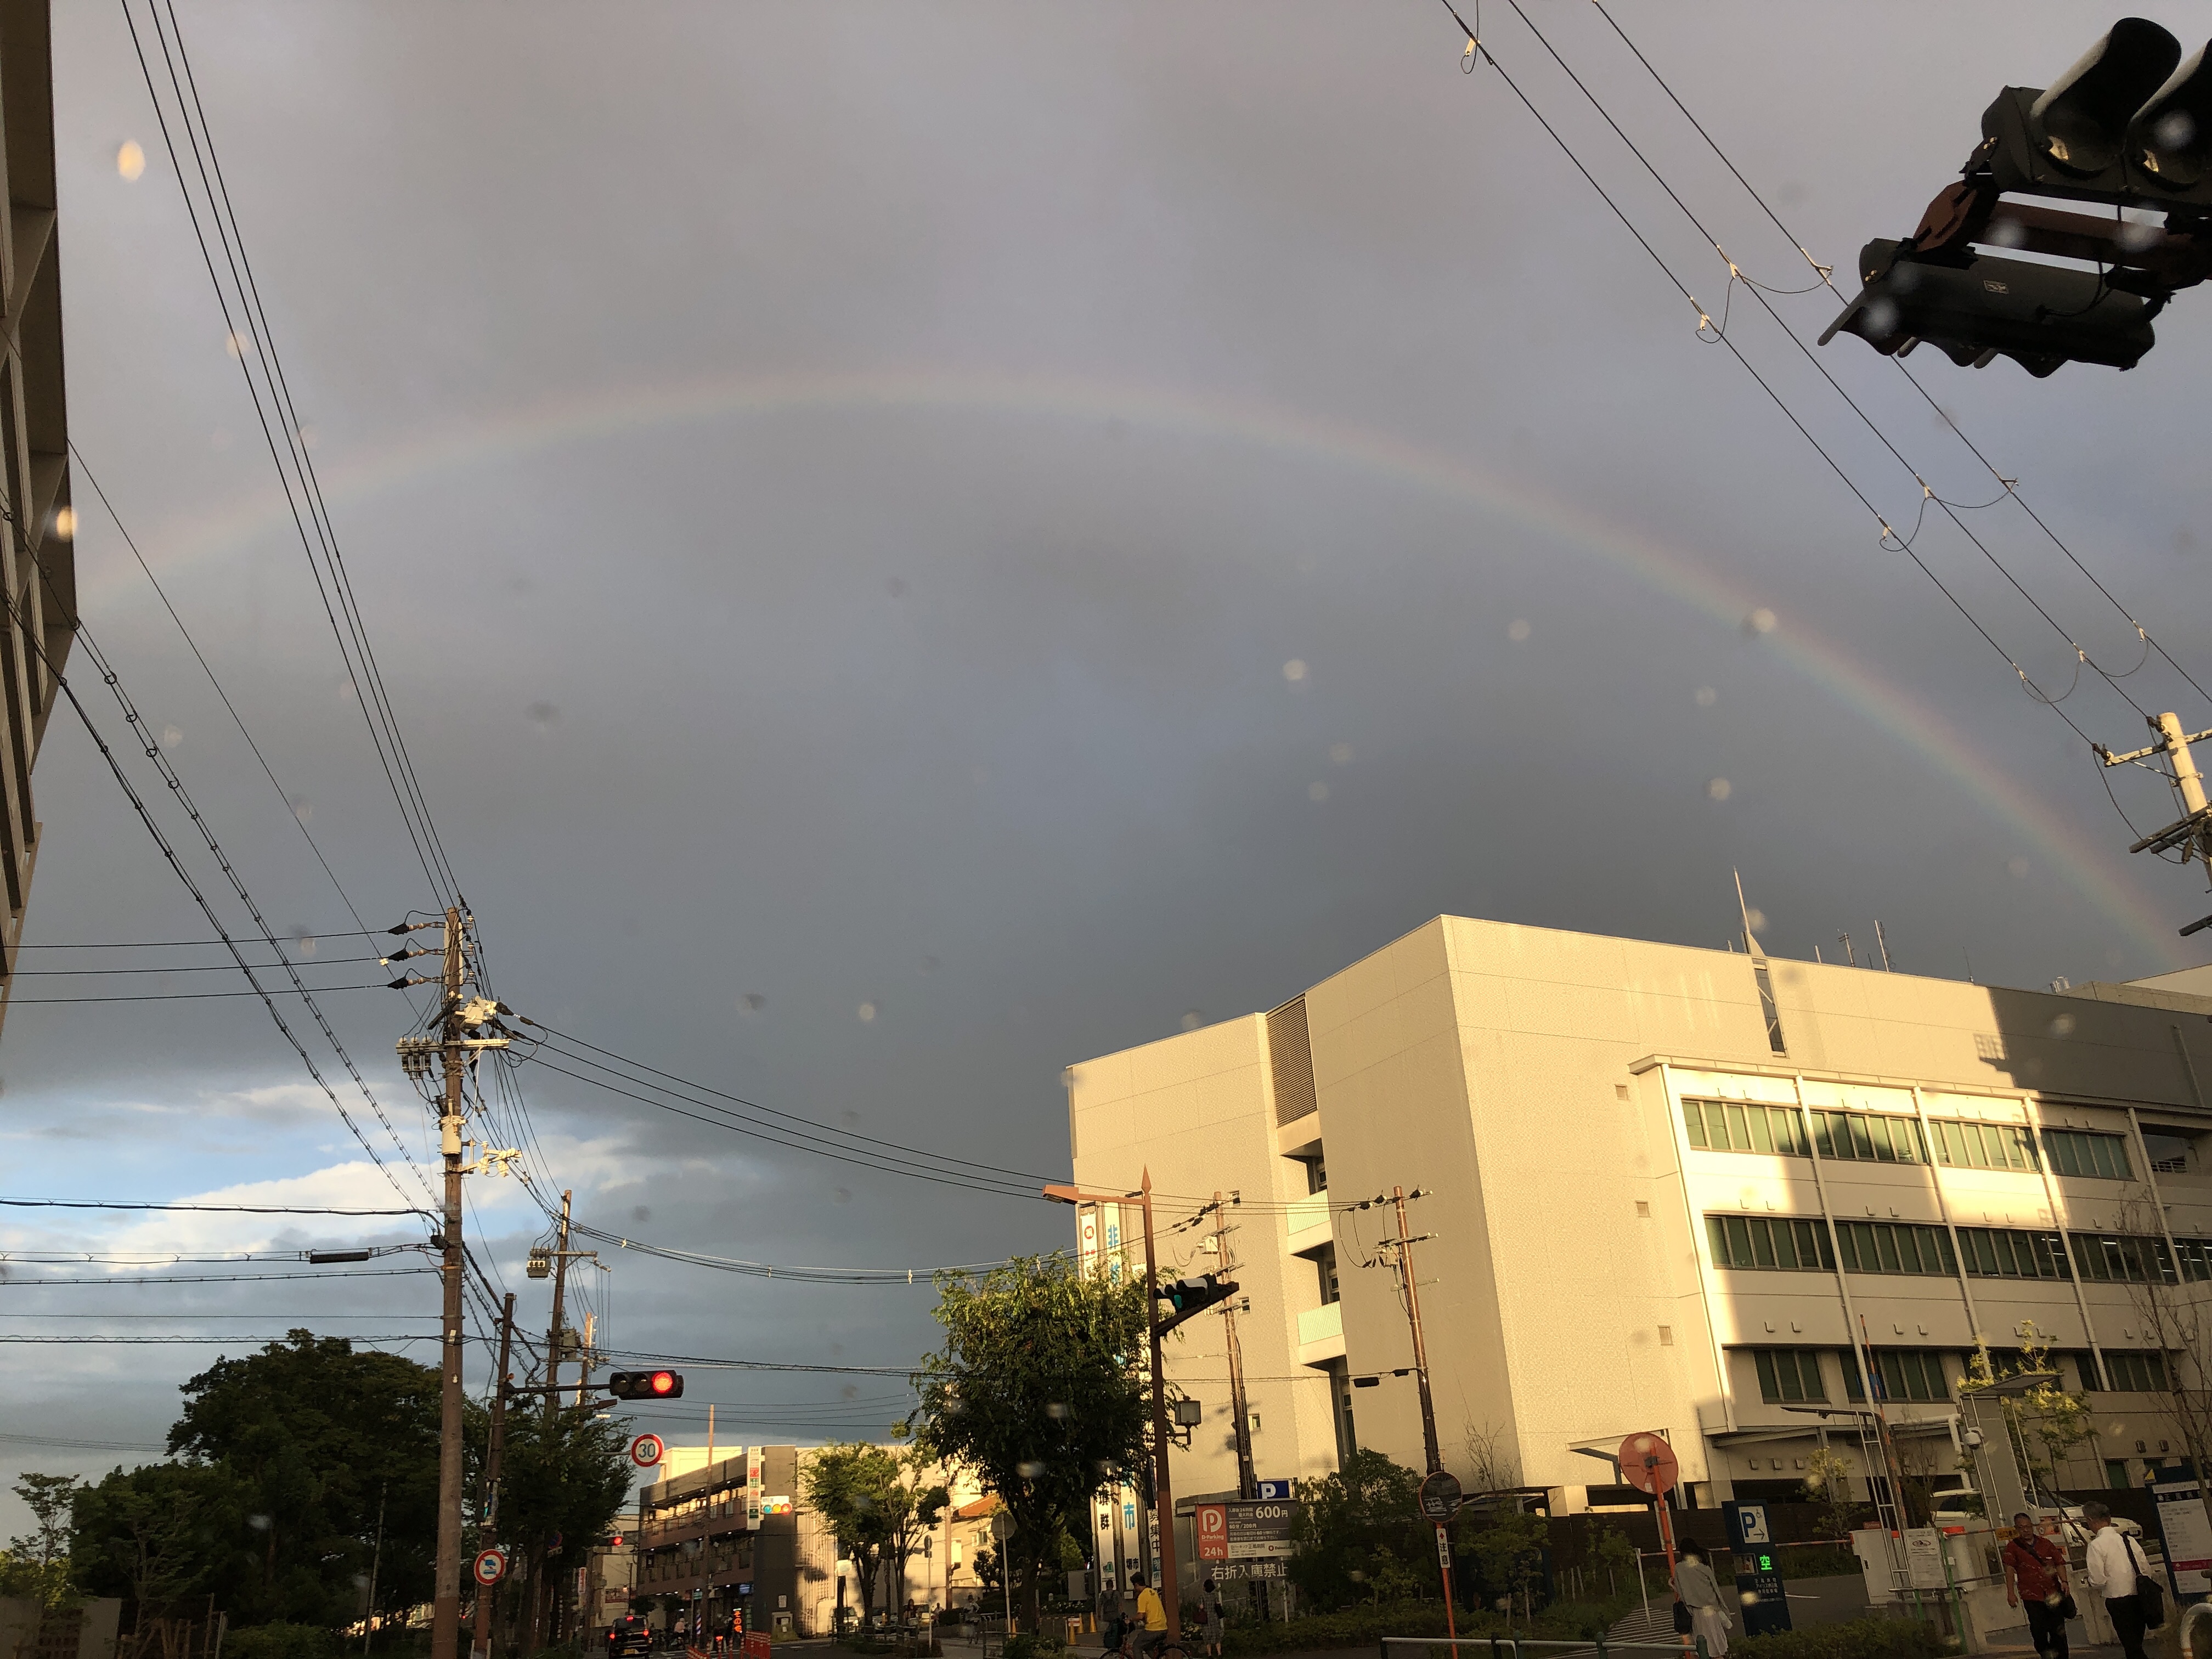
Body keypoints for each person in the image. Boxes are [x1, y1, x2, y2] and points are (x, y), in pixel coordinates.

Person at [2083, 1502, 2152, 1659]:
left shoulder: (2096, 1545)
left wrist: (2089, 1581)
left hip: (2117, 1600)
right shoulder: (2129, 1540)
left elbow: (2098, 1580)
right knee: (2136, 1643)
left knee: (2131, 1646)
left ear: (2091, 1520)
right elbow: (2146, 1569)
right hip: (2140, 1596)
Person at [2003, 1512, 2073, 1659]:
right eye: (2022, 1528)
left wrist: (2064, 1581)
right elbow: (2009, 1570)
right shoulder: (2013, 1547)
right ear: (2017, 1529)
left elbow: (2059, 1562)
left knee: (2058, 1629)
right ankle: (2046, 1652)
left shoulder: (2046, 1544)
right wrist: (2011, 1593)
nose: (2026, 1530)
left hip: (2052, 1592)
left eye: (2028, 1527)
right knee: (2038, 1629)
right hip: (2031, 1595)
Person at [1673, 1543, 1733, 1659]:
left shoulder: (1679, 1568)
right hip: (1712, 1610)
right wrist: (1724, 1609)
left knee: (1699, 1646)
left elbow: (1682, 1591)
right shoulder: (1704, 1567)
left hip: (1697, 1612)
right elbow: (1716, 1590)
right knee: (1716, 1646)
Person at [1129, 1572, 1167, 1658]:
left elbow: (1141, 1616)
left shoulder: (1142, 1596)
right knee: (1147, 1645)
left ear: (1136, 1585)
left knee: (1137, 1646)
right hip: (1163, 1627)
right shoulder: (1153, 1592)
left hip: (1153, 1629)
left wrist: (1131, 1619)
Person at [1099, 1580, 1125, 1657]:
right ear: (1113, 1585)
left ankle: (1109, 1647)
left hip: (1106, 1616)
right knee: (1116, 1632)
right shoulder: (1116, 1593)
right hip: (1115, 1616)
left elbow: (1100, 1605)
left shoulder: (1103, 1594)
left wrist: (1099, 1615)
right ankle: (1116, 1648)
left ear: (1106, 1586)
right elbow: (1120, 1605)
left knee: (1108, 1633)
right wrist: (1123, 1613)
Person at [1200, 1578, 1224, 1658]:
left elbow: (1201, 1607)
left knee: (1207, 1637)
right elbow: (1218, 1604)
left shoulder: (1202, 1596)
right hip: (1215, 1617)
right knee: (1217, 1636)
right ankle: (1219, 1653)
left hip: (1206, 1619)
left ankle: (1210, 1654)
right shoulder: (1215, 1595)